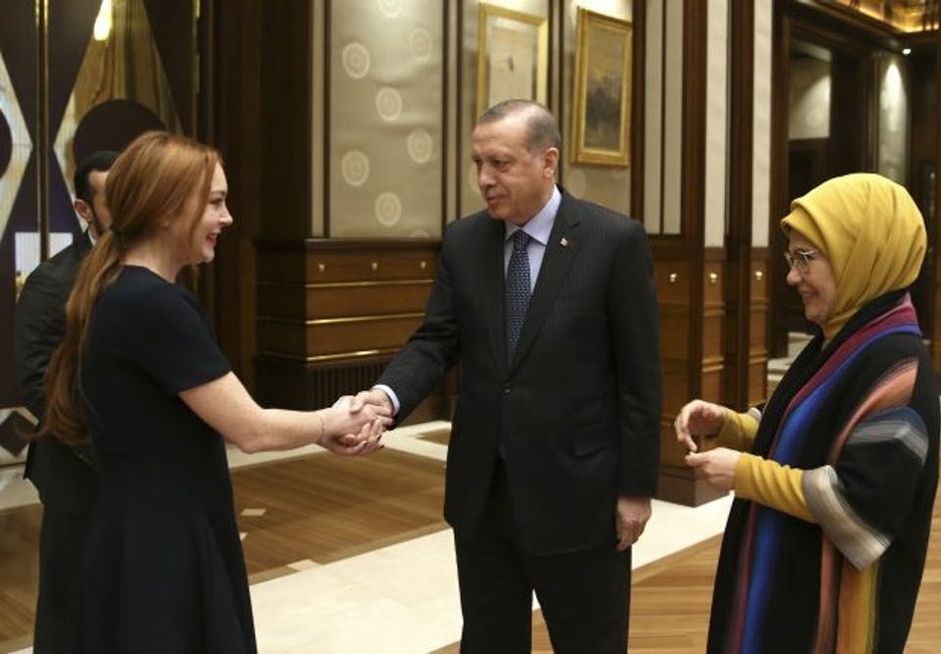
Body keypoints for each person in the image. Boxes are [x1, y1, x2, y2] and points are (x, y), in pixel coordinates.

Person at [41, 131, 390, 653]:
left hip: (137, 526)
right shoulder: (154, 304)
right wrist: (330, 420)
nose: (228, 219)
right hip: (166, 537)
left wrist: (320, 432)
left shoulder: (120, 287)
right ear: (166, 208)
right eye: (216, 202)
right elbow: (250, 430)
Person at [349, 100, 662, 652]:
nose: (484, 180)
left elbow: (640, 377)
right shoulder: (465, 241)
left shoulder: (613, 241)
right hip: (484, 495)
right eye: (477, 164)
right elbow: (437, 339)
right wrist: (386, 396)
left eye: (500, 164)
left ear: (548, 162)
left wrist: (636, 489)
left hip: (579, 498)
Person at [675, 173, 941, 653]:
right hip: (786, 584)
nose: (791, 276)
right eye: (790, 257)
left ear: (861, 256)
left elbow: (859, 506)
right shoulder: (845, 335)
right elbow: (801, 426)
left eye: (806, 258)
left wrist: (744, 474)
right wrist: (729, 425)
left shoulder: (898, 365)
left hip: (834, 616)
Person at [14, 150, 116, 654]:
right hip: (77, 466)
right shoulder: (51, 282)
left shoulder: (157, 268)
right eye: (112, 198)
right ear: (84, 210)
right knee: (69, 605)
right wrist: (105, 448)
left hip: (140, 470)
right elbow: (36, 382)